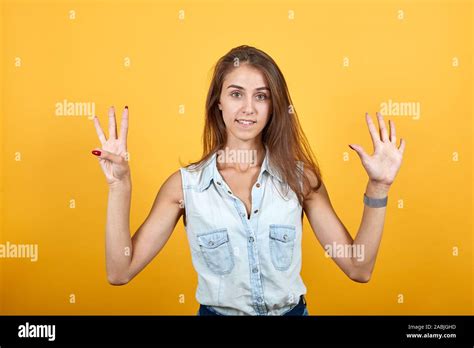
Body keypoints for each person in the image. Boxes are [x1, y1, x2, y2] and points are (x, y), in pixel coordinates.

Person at [91, 45, 406, 316]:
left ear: (273, 106)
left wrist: (379, 187)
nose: (248, 108)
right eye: (236, 94)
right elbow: (120, 271)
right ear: (219, 102)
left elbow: (358, 268)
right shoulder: (185, 186)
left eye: (261, 96)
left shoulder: (300, 180)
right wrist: (120, 186)